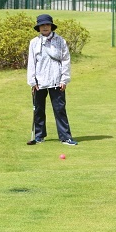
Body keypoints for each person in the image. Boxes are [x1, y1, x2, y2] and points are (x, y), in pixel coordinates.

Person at [27, 14, 78, 146]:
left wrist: (64, 79)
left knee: (59, 109)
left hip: (56, 80)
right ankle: (39, 136)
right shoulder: (34, 43)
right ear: (38, 27)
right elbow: (31, 63)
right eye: (42, 25)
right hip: (39, 81)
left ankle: (65, 137)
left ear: (51, 26)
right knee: (39, 109)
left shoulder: (60, 41)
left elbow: (66, 60)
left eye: (47, 25)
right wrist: (32, 81)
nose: (45, 27)